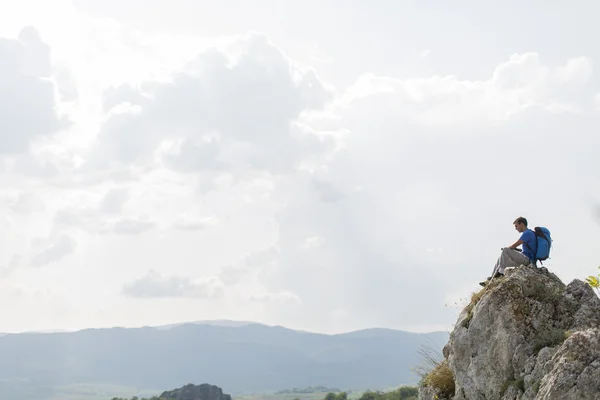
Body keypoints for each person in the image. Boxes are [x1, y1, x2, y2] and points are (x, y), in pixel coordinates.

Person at [479, 217, 537, 287]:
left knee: (505, 250)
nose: (516, 228)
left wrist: (507, 250)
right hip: (524, 260)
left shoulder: (527, 233)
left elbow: (513, 245)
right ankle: (492, 278)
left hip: (527, 260)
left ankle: (500, 273)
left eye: (516, 226)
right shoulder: (529, 233)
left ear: (522, 224)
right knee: (500, 258)